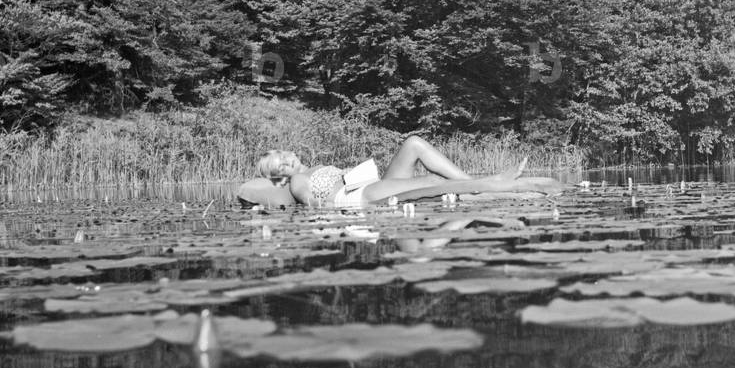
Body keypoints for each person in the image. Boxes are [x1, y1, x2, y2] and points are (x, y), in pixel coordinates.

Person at [237, 135, 562, 210]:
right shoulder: (296, 181)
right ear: (280, 175)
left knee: (414, 144)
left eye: (284, 155)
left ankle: (475, 184)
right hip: (354, 197)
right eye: (280, 164)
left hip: (371, 184)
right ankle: (495, 184)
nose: (288, 160)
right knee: (433, 182)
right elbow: (314, 205)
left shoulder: (314, 165)